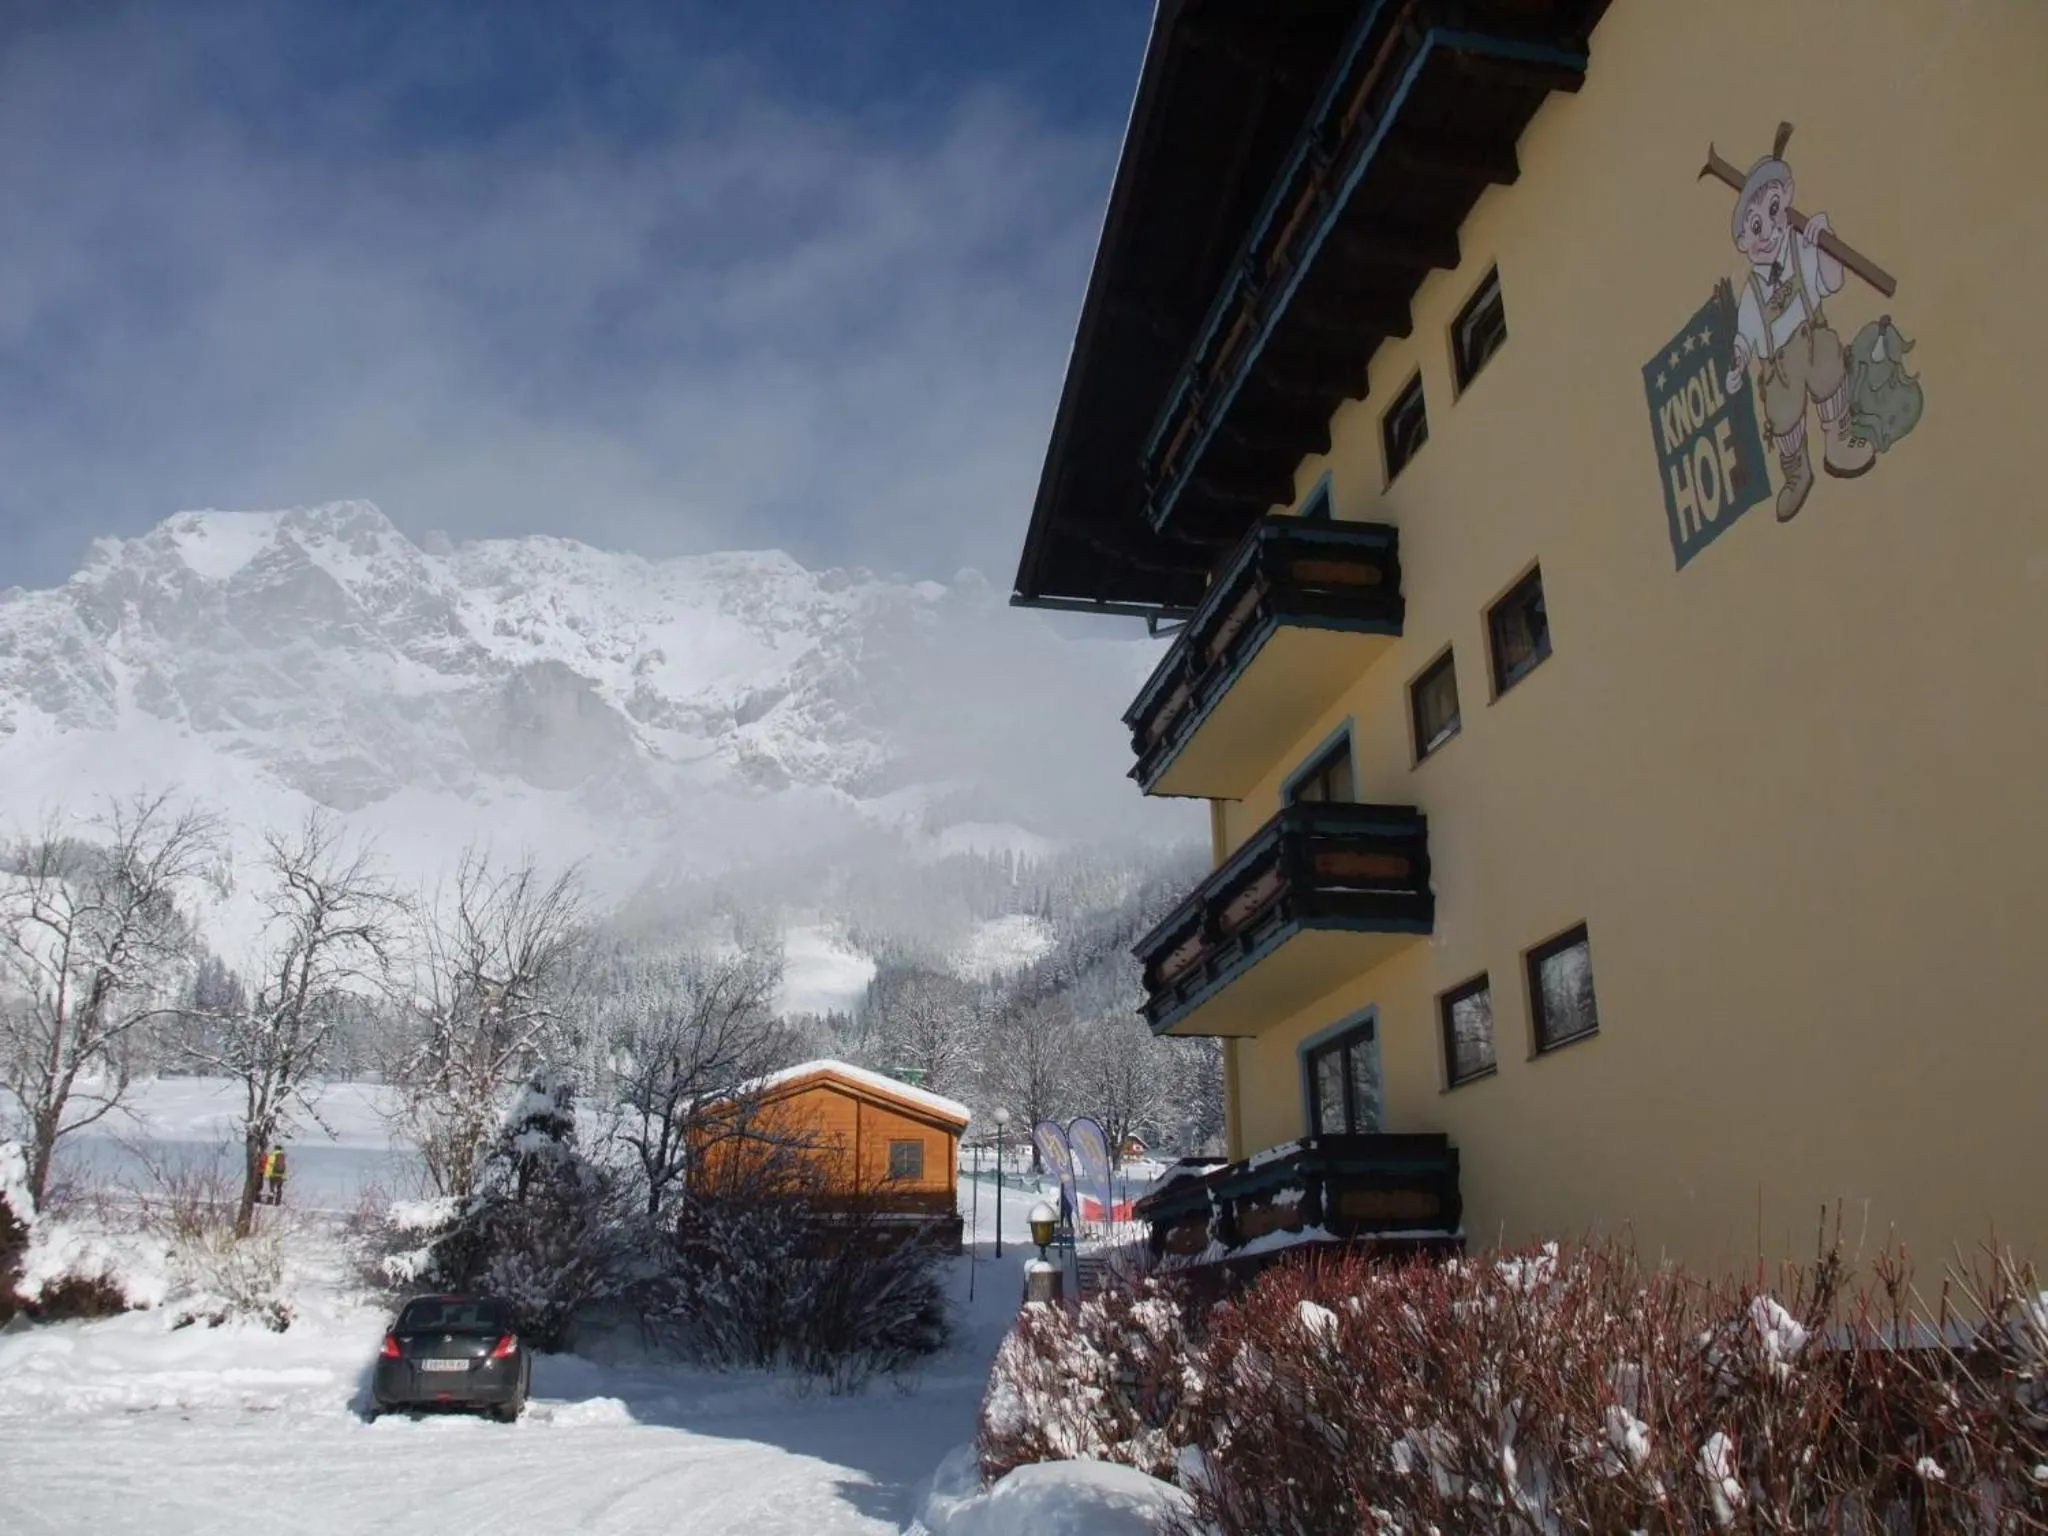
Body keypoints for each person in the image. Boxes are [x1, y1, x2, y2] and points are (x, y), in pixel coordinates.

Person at [1723, 128, 1875, 521]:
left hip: (1812, 337)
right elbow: (1745, 335)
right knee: (1783, 411)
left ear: (1786, 197)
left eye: (1773, 211)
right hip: (1778, 365)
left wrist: (1826, 241)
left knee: (1828, 368)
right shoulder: (1752, 292)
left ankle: (1839, 438)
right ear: (1744, 242)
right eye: (1756, 227)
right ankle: (1796, 471)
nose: (1770, 230)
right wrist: (1739, 362)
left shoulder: (1802, 247)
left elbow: (1832, 282)